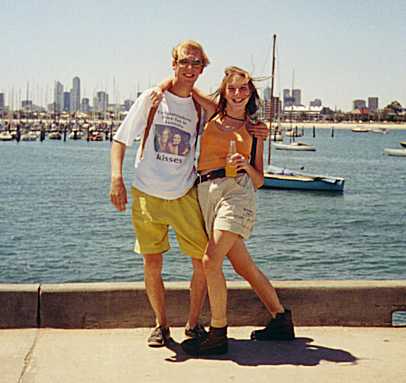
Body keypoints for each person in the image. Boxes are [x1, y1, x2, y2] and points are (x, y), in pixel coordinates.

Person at [178, 66, 295, 356]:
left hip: (237, 192)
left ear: (251, 93)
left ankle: (218, 333)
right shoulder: (210, 113)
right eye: (232, 88)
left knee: (210, 260)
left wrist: (244, 165)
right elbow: (186, 86)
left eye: (243, 88)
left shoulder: (254, 131)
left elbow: (259, 180)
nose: (237, 93)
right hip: (205, 192)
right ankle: (281, 319)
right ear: (224, 91)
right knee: (243, 265)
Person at [110, 40, 211, 347]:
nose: (190, 68)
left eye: (197, 63)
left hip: (184, 193)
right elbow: (120, 140)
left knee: (203, 261)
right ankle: (160, 324)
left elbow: (226, 114)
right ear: (173, 63)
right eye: (184, 62)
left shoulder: (199, 106)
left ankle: (193, 324)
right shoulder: (151, 99)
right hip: (147, 194)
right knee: (152, 262)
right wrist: (117, 178)